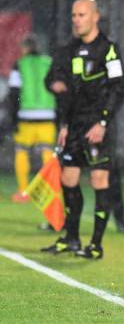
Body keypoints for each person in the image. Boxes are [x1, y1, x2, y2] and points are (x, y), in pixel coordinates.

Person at [41, 0, 124, 259]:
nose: (76, 20)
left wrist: (103, 122)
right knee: (68, 179)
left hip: (98, 126)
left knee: (99, 179)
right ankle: (71, 237)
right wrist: (65, 124)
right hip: (75, 125)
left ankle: (96, 245)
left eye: (82, 15)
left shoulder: (108, 50)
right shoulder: (70, 50)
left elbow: (120, 87)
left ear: (95, 17)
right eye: (74, 15)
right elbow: (65, 88)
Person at [8, 36, 56, 203]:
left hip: (26, 115)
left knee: (22, 151)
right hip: (48, 114)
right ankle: (48, 191)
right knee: (47, 152)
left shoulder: (20, 65)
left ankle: (23, 192)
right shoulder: (49, 62)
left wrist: (13, 117)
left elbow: (14, 93)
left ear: (24, 48)